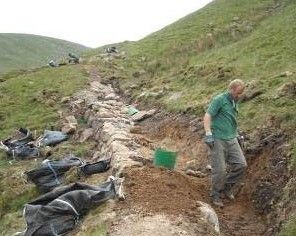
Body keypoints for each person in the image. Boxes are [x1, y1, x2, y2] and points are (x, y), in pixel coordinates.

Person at [203, 79, 247, 207]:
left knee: (241, 164)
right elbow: (207, 116)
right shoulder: (219, 99)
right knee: (220, 170)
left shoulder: (234, 101)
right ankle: (215, 194)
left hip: (231, 138)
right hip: (217, 138)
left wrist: (236, 134)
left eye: (241, 93)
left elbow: (230, 119)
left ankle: (226, 187)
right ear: (231, 89)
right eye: (238, 93)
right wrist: (208, 133)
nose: (239, 96)